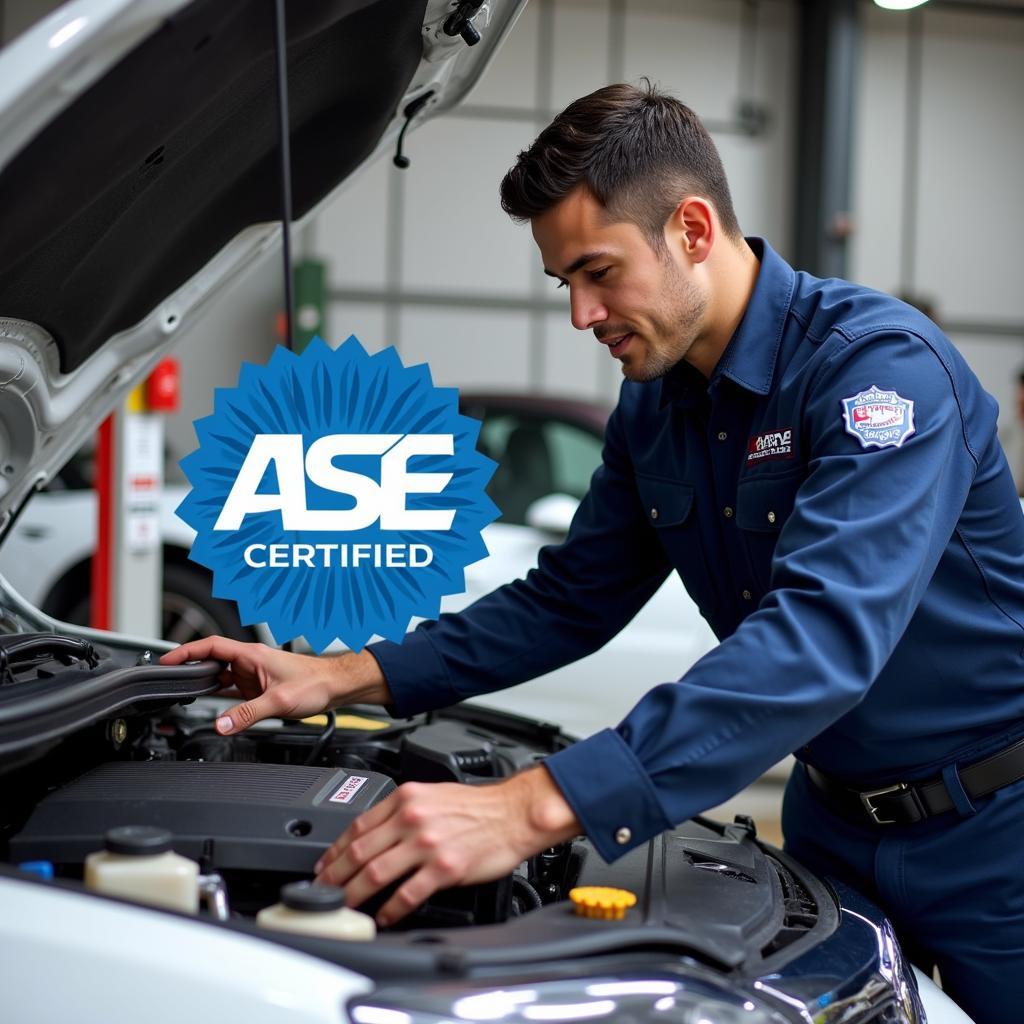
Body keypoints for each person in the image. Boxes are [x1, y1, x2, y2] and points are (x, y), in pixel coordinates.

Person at [162, 83, 1024, 1022]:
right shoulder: (654, 408)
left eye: (599, 272)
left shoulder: (879, 374)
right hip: (828, 826)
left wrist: (532, 806)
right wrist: (341, 676)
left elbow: (822, 635)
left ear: (692, 228)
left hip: (996, 838)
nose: (581, 314)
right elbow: (569, 599)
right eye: (564, 282)